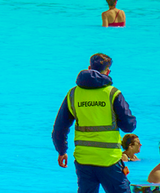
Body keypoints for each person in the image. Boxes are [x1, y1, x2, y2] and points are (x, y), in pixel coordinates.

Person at [53, 52, 136, 193]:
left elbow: (59, 128)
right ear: (108, 71)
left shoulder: (73, 94)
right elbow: (129, 126)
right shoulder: (112, 93)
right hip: (109, 160)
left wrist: (62, 151)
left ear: (89, 68)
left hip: (84, 160)